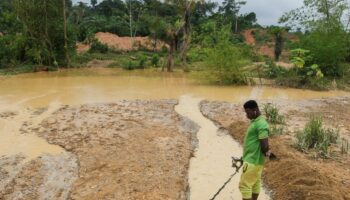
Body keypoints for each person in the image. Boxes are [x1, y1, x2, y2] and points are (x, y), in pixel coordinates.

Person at [239, 100, 270, 200]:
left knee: (244, 186)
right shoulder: (256, 122)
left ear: (255, 110)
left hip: (252, 161)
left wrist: (270, 155)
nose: (247, 115)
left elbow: (265, 146)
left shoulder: (261, 124)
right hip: (256, 161)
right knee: (255, 183)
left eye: (248, 112)